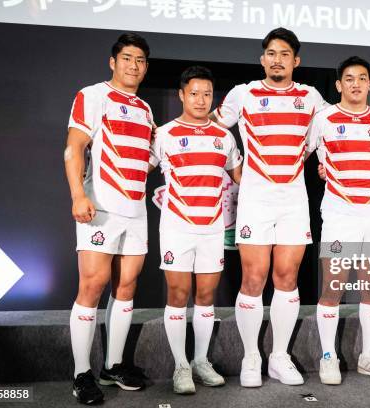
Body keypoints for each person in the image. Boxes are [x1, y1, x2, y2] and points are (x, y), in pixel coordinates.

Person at [210, 27, 328, 387]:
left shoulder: (310, 97)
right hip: (255, 199)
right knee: (254, 277)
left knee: (287, 278)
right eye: (271, 54)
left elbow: (333, 132)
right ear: (263, 59)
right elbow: (210, 127)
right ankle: (250, 357)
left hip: (293, 199)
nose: (278, 60)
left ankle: (278, 357)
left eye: (285, 54)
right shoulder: (243, 93)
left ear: (296, 61)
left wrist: (326, 161)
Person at [64, 33, 153, 404]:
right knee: (93, 286)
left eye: (140, 60)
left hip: (136, 210)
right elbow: (74, 147)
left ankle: (113, 365)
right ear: (113, 61)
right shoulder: (92, 95)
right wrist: (78, 195)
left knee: (127, 287)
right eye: (127, 58)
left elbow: (144, 159)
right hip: (100, 208)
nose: (134, 66)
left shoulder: (146, 108)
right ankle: (81, 374)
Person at [151, 66, 243, 394]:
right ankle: (180, 365)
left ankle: (201, 361)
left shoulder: (224, 137)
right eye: (194, 93)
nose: (201, 100)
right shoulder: (163, 134)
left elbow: (241, 177)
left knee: (206, 297)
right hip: (177, 227)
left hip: (212, 229)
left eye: (207, 94)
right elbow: (137, 167)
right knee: (178, 295)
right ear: (181, 95)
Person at [307, 56, 370, 385]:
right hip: (338, 213)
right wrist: (322, 167)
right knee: (333, 288)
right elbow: (303, 152)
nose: (356, 84)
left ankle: (368, 355)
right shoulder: (323, 119)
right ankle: (328, 356)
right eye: (349, 78)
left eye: (362, 78)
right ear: (338, 85)